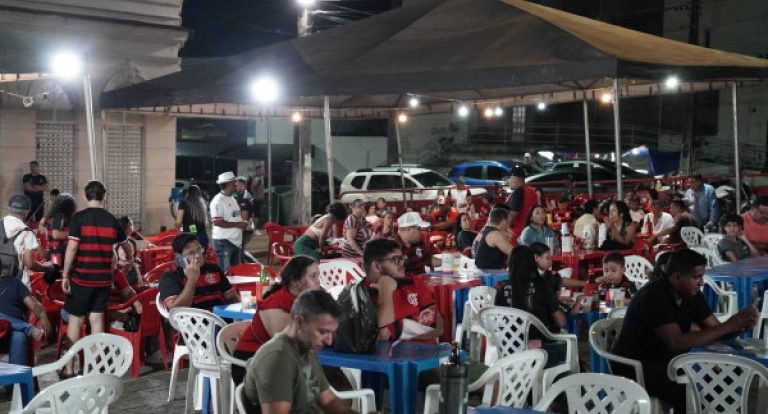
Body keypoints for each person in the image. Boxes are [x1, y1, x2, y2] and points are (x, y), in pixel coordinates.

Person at [612, 249, 757, 412]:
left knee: (725, 378)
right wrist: (729, 325)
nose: (701, 283)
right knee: (692, 390)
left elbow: (716, 329)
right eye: (696, 277)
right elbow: (677, 342)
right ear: (676, 277)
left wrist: (740, 324)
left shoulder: (692, 294)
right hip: (636, 365)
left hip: (668, 360)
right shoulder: (653, 297)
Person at [60, 181, 132, 378]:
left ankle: (69, 369)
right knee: (96, 320)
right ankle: (93, 368)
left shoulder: (78, 218)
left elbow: (72, 248)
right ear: (104, 196)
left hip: (81, 278)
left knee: (76, 320)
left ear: (85, 196)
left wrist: (65, 274)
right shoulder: (112, 220)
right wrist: (131, 258)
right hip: (103, 280)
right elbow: (127, 245)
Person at [242, 290, 354, 413]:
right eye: (323, 332)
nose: (329, 341)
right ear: (299, 322)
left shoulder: (307, 349)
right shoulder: (277, 359)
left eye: (332, 333)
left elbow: (328, 400)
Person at [232, 256, 321, 385]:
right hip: (250, 364)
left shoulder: (305, 300)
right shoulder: (277, 305)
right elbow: (287, 347)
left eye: (318, 276)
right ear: (295, 282)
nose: (319, 282)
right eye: (313, 276)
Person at [495, 245, 566, 367]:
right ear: (532, 263)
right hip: (539, 353)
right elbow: (561, 322)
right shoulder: (542, 287)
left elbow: (499, 323)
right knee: (567, 347)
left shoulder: (502, 290)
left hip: (509, 353)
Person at [362, 238, 443, 342]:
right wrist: (386, 290)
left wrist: (395, 330)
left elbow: (438, 327)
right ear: (376, 266)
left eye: (402, 258)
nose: (402, 263)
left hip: (426, 351)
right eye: (395, 259)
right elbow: (381, 337)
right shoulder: (361, 294)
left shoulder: (412, 281)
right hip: (390, 353)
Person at [159, 233, 239, 311]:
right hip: (195, 319)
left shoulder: (213, 268)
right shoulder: (170, 275)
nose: (198, 255)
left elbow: (231, 297)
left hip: (221, 316)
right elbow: (176, 310)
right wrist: (191, 280)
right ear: (179, 257)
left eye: (199, 250)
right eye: (191, 253)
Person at [0, 265, 52, 368]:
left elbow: (33, 304)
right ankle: (27, 328)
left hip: (11, 332)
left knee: (19, 337)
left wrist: (43, 316)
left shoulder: (15, 283)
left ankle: (17, 377)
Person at [2, 195, 55, 286]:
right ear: (27, 211)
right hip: (18, 284)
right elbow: (30, 264)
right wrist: (47, 268)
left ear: (9, 208)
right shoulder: (26, 231)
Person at [210, 171, 246, 272]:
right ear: (229, 184)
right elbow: (217, 222)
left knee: (236, 272)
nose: (236, 184)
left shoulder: (232, 199)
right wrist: (238, 224)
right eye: (234, 182)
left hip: (235, 242)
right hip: (224, 242)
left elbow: (233, 217)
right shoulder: (218, 201)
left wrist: (242, 223)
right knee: (225, 273)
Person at [394, 212, 439, 276]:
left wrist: (447, 262)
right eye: (419, 229)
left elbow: (428, 260)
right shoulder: (392, 247)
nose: (421, 233)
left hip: (421, 280)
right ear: (410, 229)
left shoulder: (418, 244)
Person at [504, 166, 539, 241]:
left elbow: (512, 215)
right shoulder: (532, 191)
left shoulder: (518, 192)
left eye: (510, 178)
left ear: (517, 179)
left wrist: (504, 230)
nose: (508, 181)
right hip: (532, 232)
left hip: (517, 234)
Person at [43, 193, 76, 264]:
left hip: (54, 251)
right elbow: (56, 234)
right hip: (59, 253)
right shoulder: (59, 216)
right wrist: (73, 232)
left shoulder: (53, 216)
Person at [175, 184, 210, 250]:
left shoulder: (184, 203)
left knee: (190, 255)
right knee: (201, 255)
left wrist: (179, 231)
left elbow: (178, 222)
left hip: (190, 237)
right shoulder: (203, 204)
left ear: (188, 193)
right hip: (203, 236)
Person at [249, 164, 265, 235]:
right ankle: (254, 229)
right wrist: (256, 197)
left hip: (257, 199)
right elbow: (252, 187)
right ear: (258, 170)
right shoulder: (257, 178)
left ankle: (253, 229)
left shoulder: (258, 178)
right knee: (256, 215)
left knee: (256, 214)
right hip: (257, 199)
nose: (263, 171)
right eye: (262, 170)